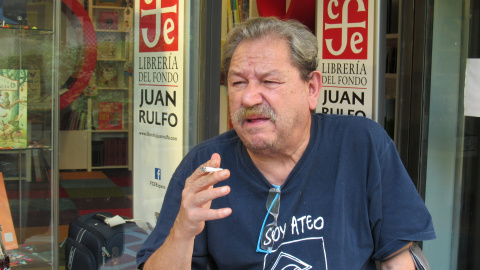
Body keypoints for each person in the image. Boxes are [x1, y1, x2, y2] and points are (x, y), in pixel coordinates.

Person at [136, 17, 435, 269]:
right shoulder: (205, 167)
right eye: (238, 83)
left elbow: (398, 256)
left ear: (312, 88)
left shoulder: (360, 145)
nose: (249, 98)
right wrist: (182, 231)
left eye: (269, 82)